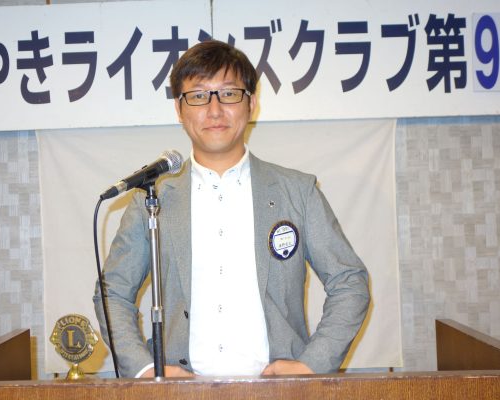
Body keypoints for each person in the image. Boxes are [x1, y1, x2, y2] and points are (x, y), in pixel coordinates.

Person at [94, 40, 370, 378]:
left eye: (228, 93)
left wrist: (312, 364)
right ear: (179, 109)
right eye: (198, 95)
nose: (214, 110)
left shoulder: (298, 192)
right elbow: (112, 293)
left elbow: (349, 282)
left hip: (279, 392)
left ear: (251, 103)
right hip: (179, 394)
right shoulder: (151, 199)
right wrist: (146, 369)